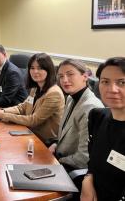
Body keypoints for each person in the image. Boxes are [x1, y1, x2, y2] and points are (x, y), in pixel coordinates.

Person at [0, 53, 65, 145]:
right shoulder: (36, 88)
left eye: (40, 68)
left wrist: (3, 115)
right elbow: (22, 107)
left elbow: (33, 120)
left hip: (44, 142)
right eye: (32, 68)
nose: (35, 71)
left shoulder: (54, 93)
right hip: (29, 133)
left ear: (49, 70)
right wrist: (2, 111)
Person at [81, 57, 125, 201]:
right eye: (105, 82)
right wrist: (87, 179)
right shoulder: (97, 116)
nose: (112, 89)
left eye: (122, 82)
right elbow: (92, 160)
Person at [49, 59, 103, 171]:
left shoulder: (90, 107)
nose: (64, 80)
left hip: (71, 168)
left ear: (85, 76)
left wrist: (55, 161)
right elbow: (65, 133)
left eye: (70, 74)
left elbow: (83, 158)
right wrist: (56, 144)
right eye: (61, 76)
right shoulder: (70, 97)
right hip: (60, 156)